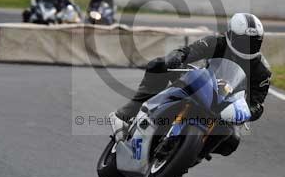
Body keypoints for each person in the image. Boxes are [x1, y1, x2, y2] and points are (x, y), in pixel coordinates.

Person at [109, 13, 272, 155]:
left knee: (232, 140)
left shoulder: (262, 70)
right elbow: (190, 51)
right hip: (201, 83)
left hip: (225, 105)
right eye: (244, 41)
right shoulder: (217, 42)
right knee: (158, 65)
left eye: (253, 42)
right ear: (230, 35)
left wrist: (247, 112)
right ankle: (127, 114)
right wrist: (177, 56)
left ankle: (194, 155)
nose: (248, 46)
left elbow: (257, 103)